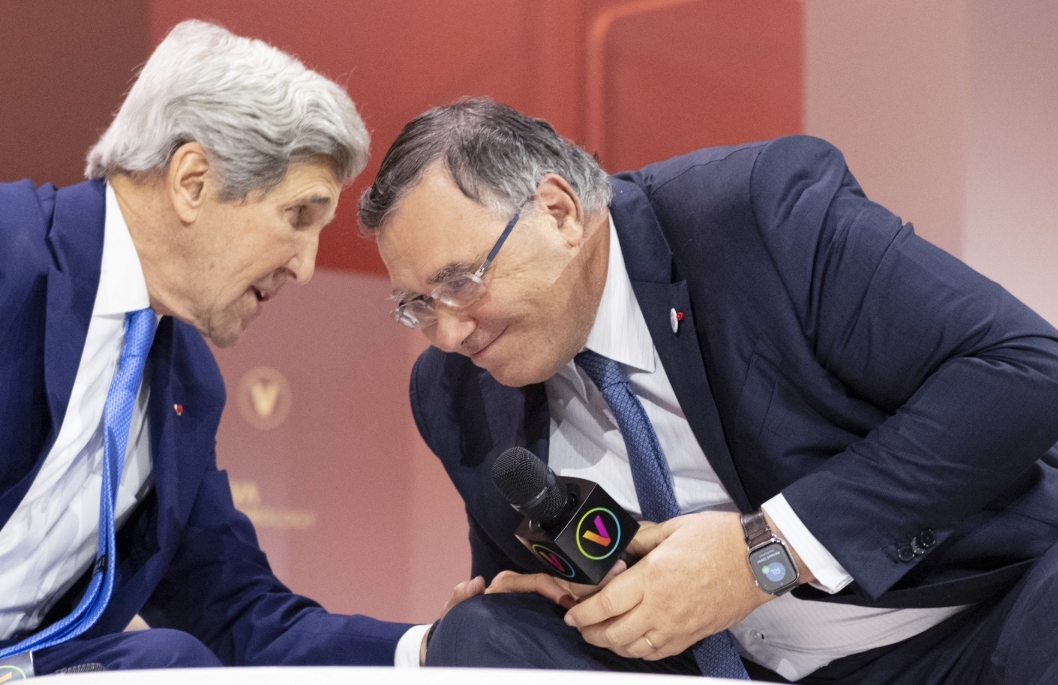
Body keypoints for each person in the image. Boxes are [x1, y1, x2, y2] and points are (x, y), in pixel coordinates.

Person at [359, 98, 1058, 684]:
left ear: (559, 211)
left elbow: (1025, 369)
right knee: (478, 636)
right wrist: (540, 599)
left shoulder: (755, 216)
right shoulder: (451, 393)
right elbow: (532, 576)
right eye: (416, 306)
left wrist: (764, 555)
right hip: (722, 670)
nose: (448, 333)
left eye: (460, 282)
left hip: (970, 623)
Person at [0, 21, 471, 685]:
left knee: (169, 663)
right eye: (299, 216)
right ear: (193, 181)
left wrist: (435, 648)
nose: (305, 265)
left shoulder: (187, 384)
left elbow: (237, 611)